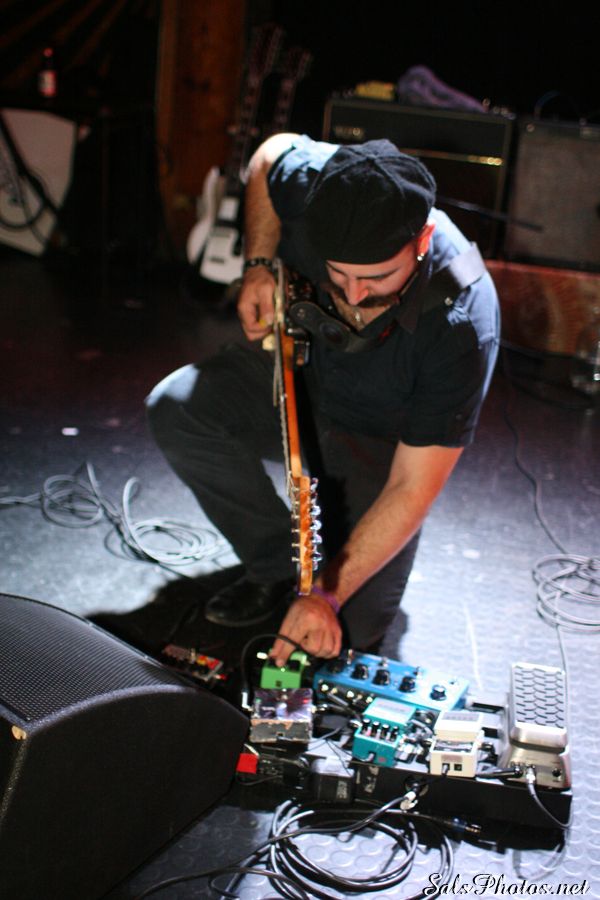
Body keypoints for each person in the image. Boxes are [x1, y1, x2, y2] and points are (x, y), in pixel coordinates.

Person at [147, 133, 500, 668]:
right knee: (177, 408)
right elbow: (269, 156)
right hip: (304, 377)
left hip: (379, 443)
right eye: (339, 275)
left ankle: (317, 585)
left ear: (422, 239)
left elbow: (412, 485)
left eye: (377, 277)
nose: (355, 296)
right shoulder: (318, 185)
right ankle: (274, 565)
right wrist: (259, 264)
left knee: (345, 635)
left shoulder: (464, 324)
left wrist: (327, 596)